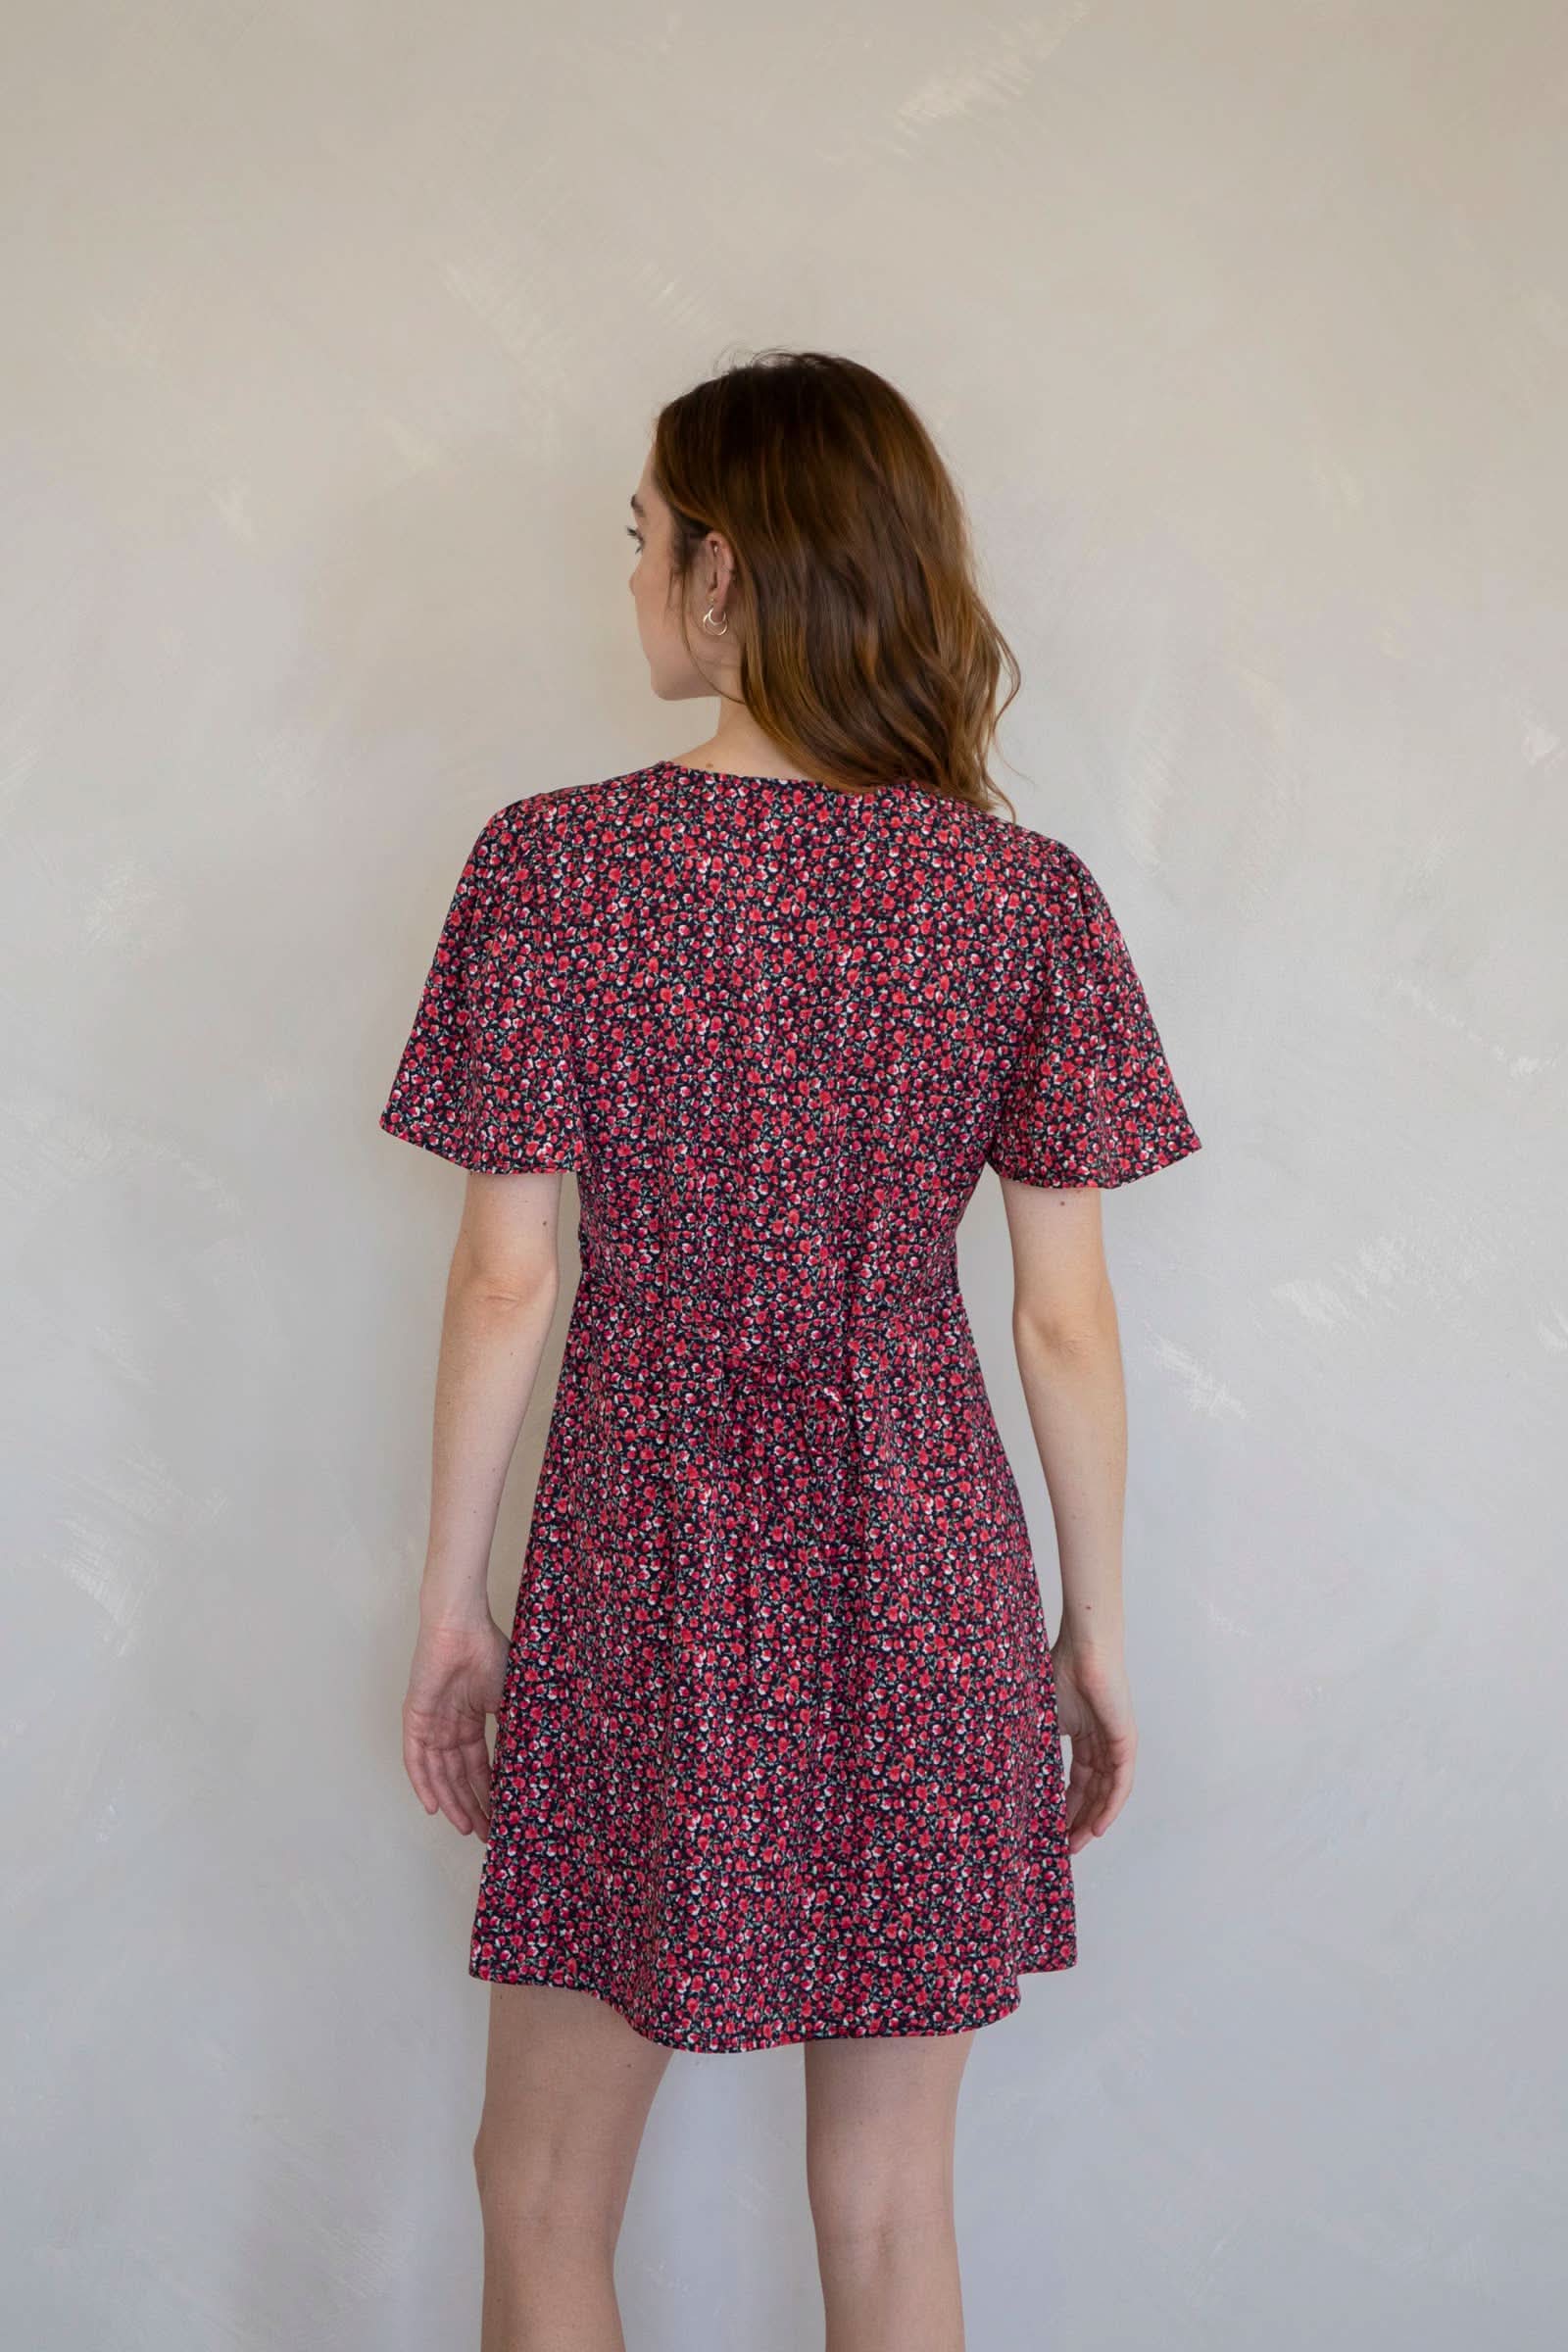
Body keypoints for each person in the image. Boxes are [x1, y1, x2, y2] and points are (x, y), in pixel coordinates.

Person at [377, 348, 1202, 2352]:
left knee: (543, 2189)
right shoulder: (1020, 899)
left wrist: (449, 1599)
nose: (634, 576)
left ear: (724, 569)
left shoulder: (550, 865)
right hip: (920, 1561)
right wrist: (1089, 1630)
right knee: (891, 2214)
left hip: (632, 1557)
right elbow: (1062, 1316)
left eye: (644, 539)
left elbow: (508, 1281)